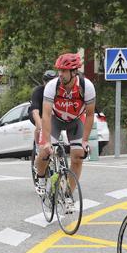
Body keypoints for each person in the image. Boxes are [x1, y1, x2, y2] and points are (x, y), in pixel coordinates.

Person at [34, 53, 95, 199]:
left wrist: (85, 141)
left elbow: (90, 115)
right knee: (44, 151)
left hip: (75, 121)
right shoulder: (52, 86)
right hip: (55, 119)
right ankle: (40, 177)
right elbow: (47, 115)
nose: (60, 74)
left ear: (74, 72)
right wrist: (47, 141)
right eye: (59, 70)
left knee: (78, 156)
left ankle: (68, 194)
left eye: (63, 71)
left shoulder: (87, 87)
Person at [29, 69, 57, 163]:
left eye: (52, 82)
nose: (49, 84)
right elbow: (35, 112)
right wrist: (41, 127)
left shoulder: (59, 91)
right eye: (47, 82)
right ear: (43, 82)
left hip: (51, 113)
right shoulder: (38, 91)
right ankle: (37, 148)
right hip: (38, 113)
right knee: (40, 125)